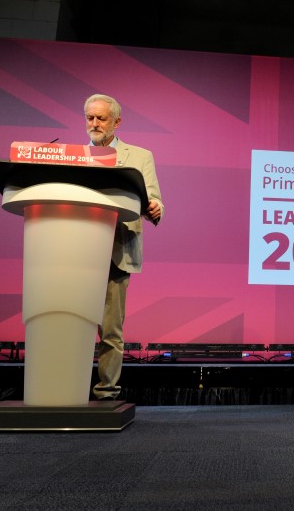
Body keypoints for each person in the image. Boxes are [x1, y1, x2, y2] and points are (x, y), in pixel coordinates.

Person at [85, 94, 164, 400]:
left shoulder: (140, 156)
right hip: (74, 251)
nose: (94, 124)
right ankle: (66, 388)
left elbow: (153, 197)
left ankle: (106, 394)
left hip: (117, 248)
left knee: (110, 331)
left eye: (100, 118)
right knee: (72, 324)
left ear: (116, 122)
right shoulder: (73, 155)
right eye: (90, 118)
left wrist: (156, 207)